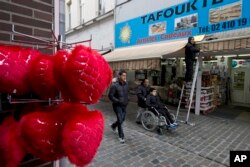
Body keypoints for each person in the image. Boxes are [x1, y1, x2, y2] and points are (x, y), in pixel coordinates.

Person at [108, 70, 128, 143]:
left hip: (124, 105)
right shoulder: (114, 85)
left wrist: (126, 101)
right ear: (119, 76)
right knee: (120, 120)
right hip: (117, 105)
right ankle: (121, 136)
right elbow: (110, 96)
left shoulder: (126, 84)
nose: (124, 77)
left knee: (122, 119)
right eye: (123, 75)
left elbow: (126, 94)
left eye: (125, 75)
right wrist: (117, 101)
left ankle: (113, 125)